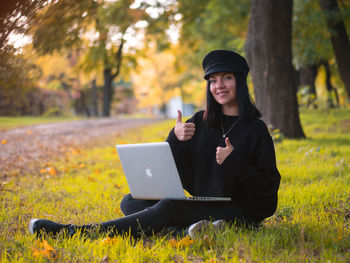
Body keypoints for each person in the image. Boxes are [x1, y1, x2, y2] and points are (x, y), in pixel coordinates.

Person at [29, 50, 281, 238]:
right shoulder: (199, 122)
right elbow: (177, 172)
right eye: (213, 80)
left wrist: (235, 161)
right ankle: (187, 231)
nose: (219, 86)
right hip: (204, 204)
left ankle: (76, 233)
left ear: (240, 81)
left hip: (240, 212)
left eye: (226, 78)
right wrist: (176, 137)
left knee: (169, 207)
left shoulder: (255, 129)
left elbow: (268, 196)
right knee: (132, 201)